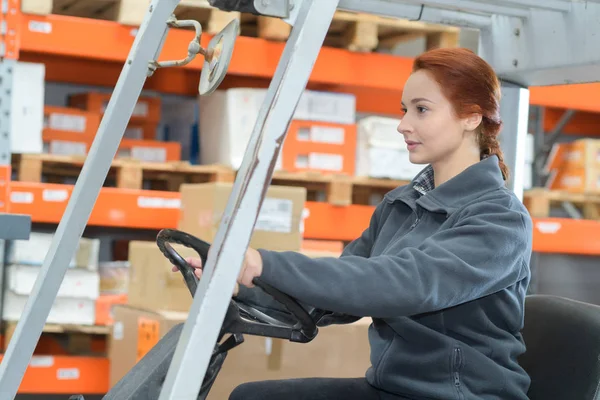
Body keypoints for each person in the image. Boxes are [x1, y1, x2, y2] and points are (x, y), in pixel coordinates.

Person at [174, 47, 533, 400]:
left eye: (422, 110)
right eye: (405, 110)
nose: (403, 124)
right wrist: (242, 285)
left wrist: (265, 263)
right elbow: (339, 293)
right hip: (391, 387)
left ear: (471, 118)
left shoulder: (499, 219)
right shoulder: (402, 205)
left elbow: (403, 284)